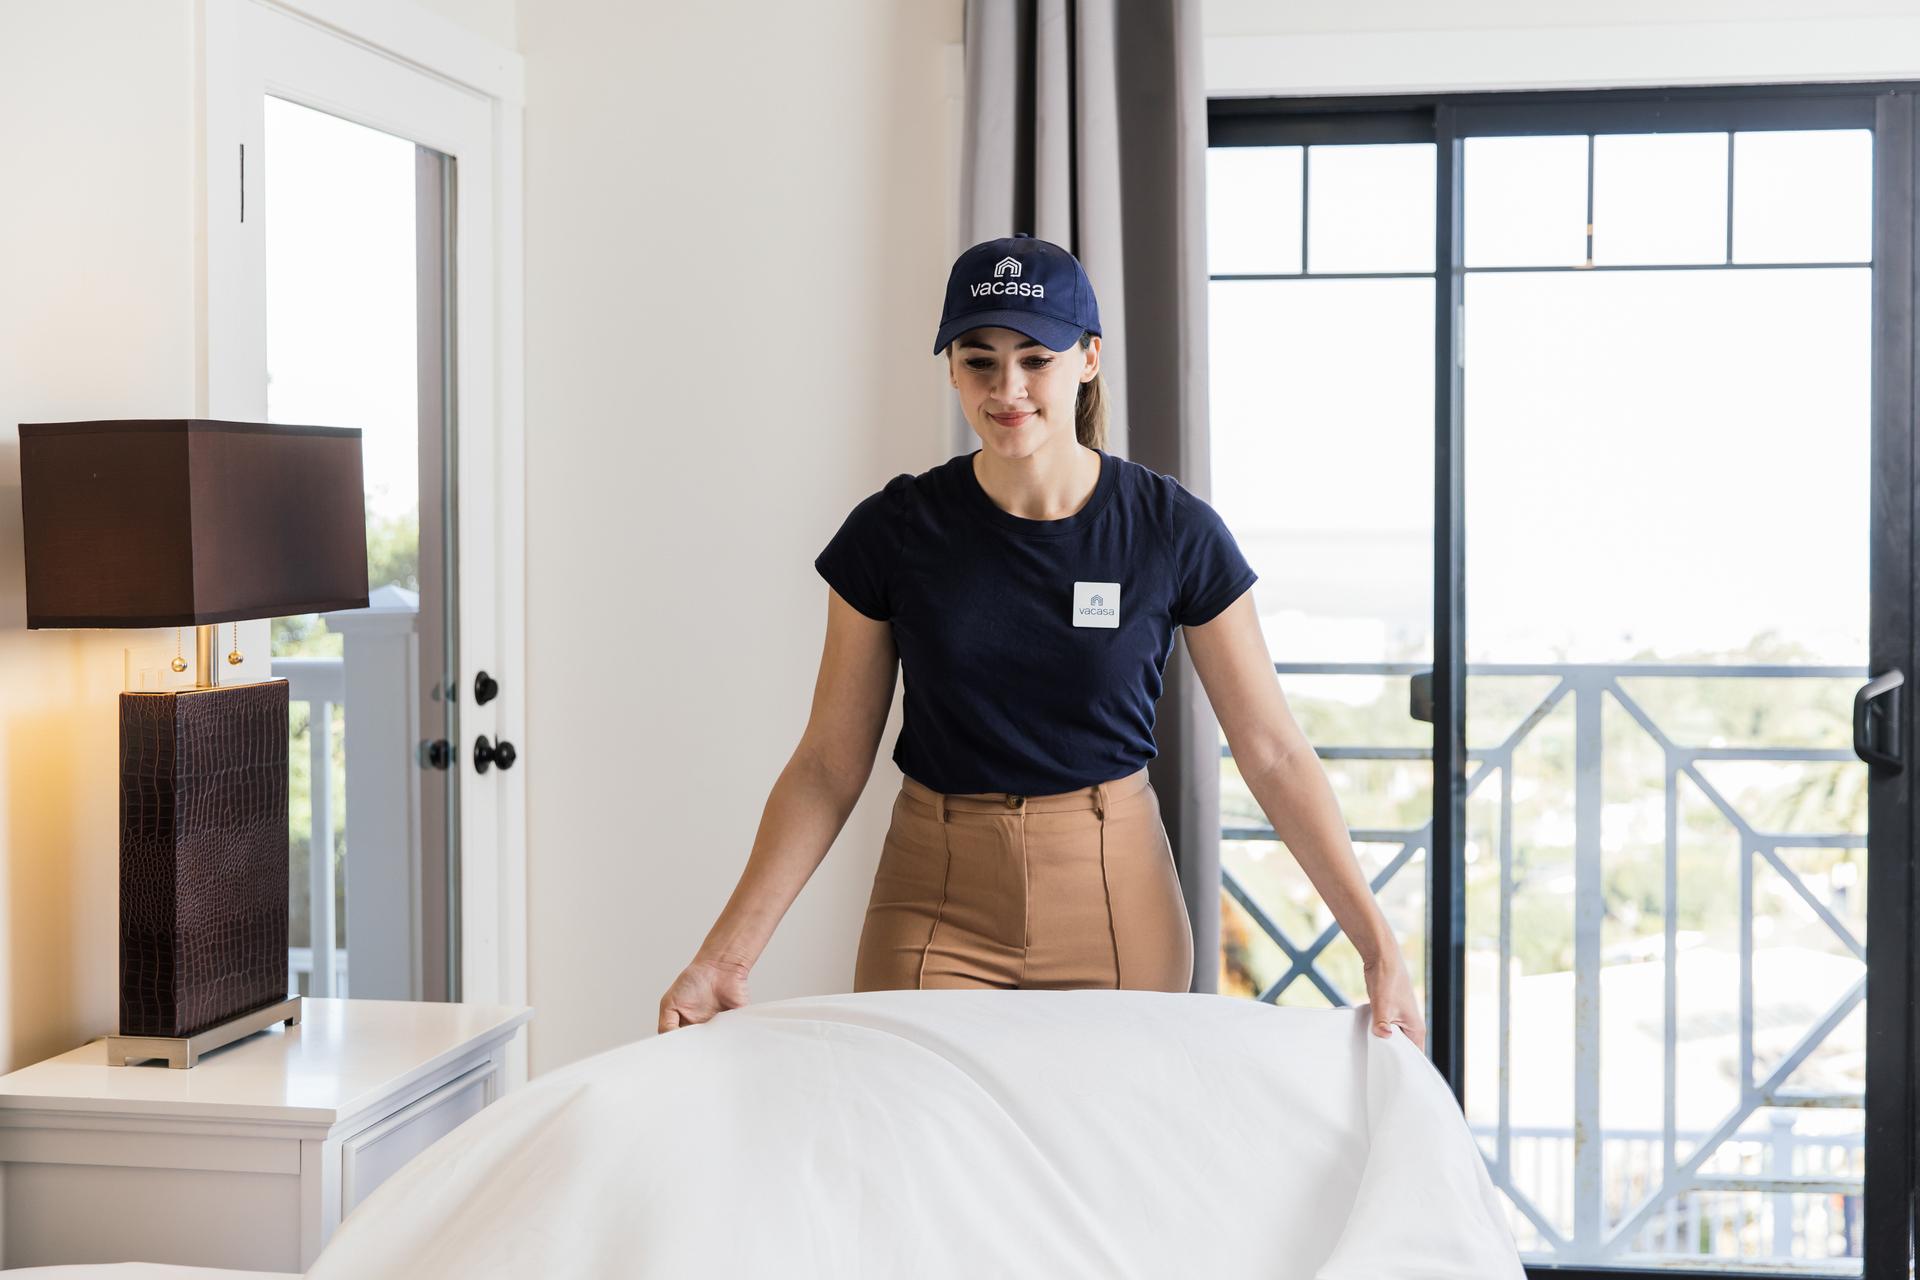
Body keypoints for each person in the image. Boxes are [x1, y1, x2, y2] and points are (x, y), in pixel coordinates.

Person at [657, 233, 1424, 1048]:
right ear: (951, 367)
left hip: (1113, 895)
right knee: (916, 1155)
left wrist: (1377, 948)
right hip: (934, 894)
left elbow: (1271, 752)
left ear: (1088, 359)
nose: (1007, 388)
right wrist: (725, 958)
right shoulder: (894, 531)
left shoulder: (1171, 532)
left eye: (1036, 358)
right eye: (979, 359)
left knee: (1104, 1165)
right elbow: (827, 763)